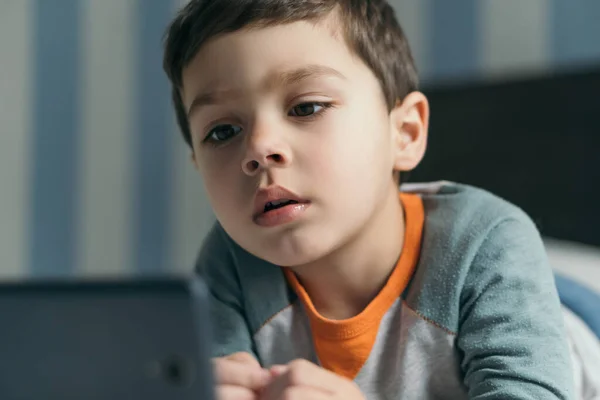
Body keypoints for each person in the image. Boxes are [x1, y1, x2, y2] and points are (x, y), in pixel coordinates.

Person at [162, 1, 578, 399]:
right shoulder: (227, 264)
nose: (259, 148)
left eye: (306, 107)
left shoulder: (489, 245)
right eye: (222, 132)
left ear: (405, 134)